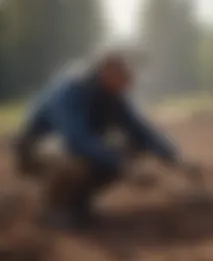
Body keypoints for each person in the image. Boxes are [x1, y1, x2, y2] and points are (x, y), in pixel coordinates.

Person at [15, 47, 186, 230]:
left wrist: (175, 158)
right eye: (125, 74)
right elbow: (76, 139)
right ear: (107, 69)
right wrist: (123, 165)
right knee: (76, 159)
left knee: (125, 148)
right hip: (35, 147)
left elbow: (140, 131)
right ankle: (53, 208)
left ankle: (78, 202)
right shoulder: (72, 89)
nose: (130, 80)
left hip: (64, 145)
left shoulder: (112, 94)